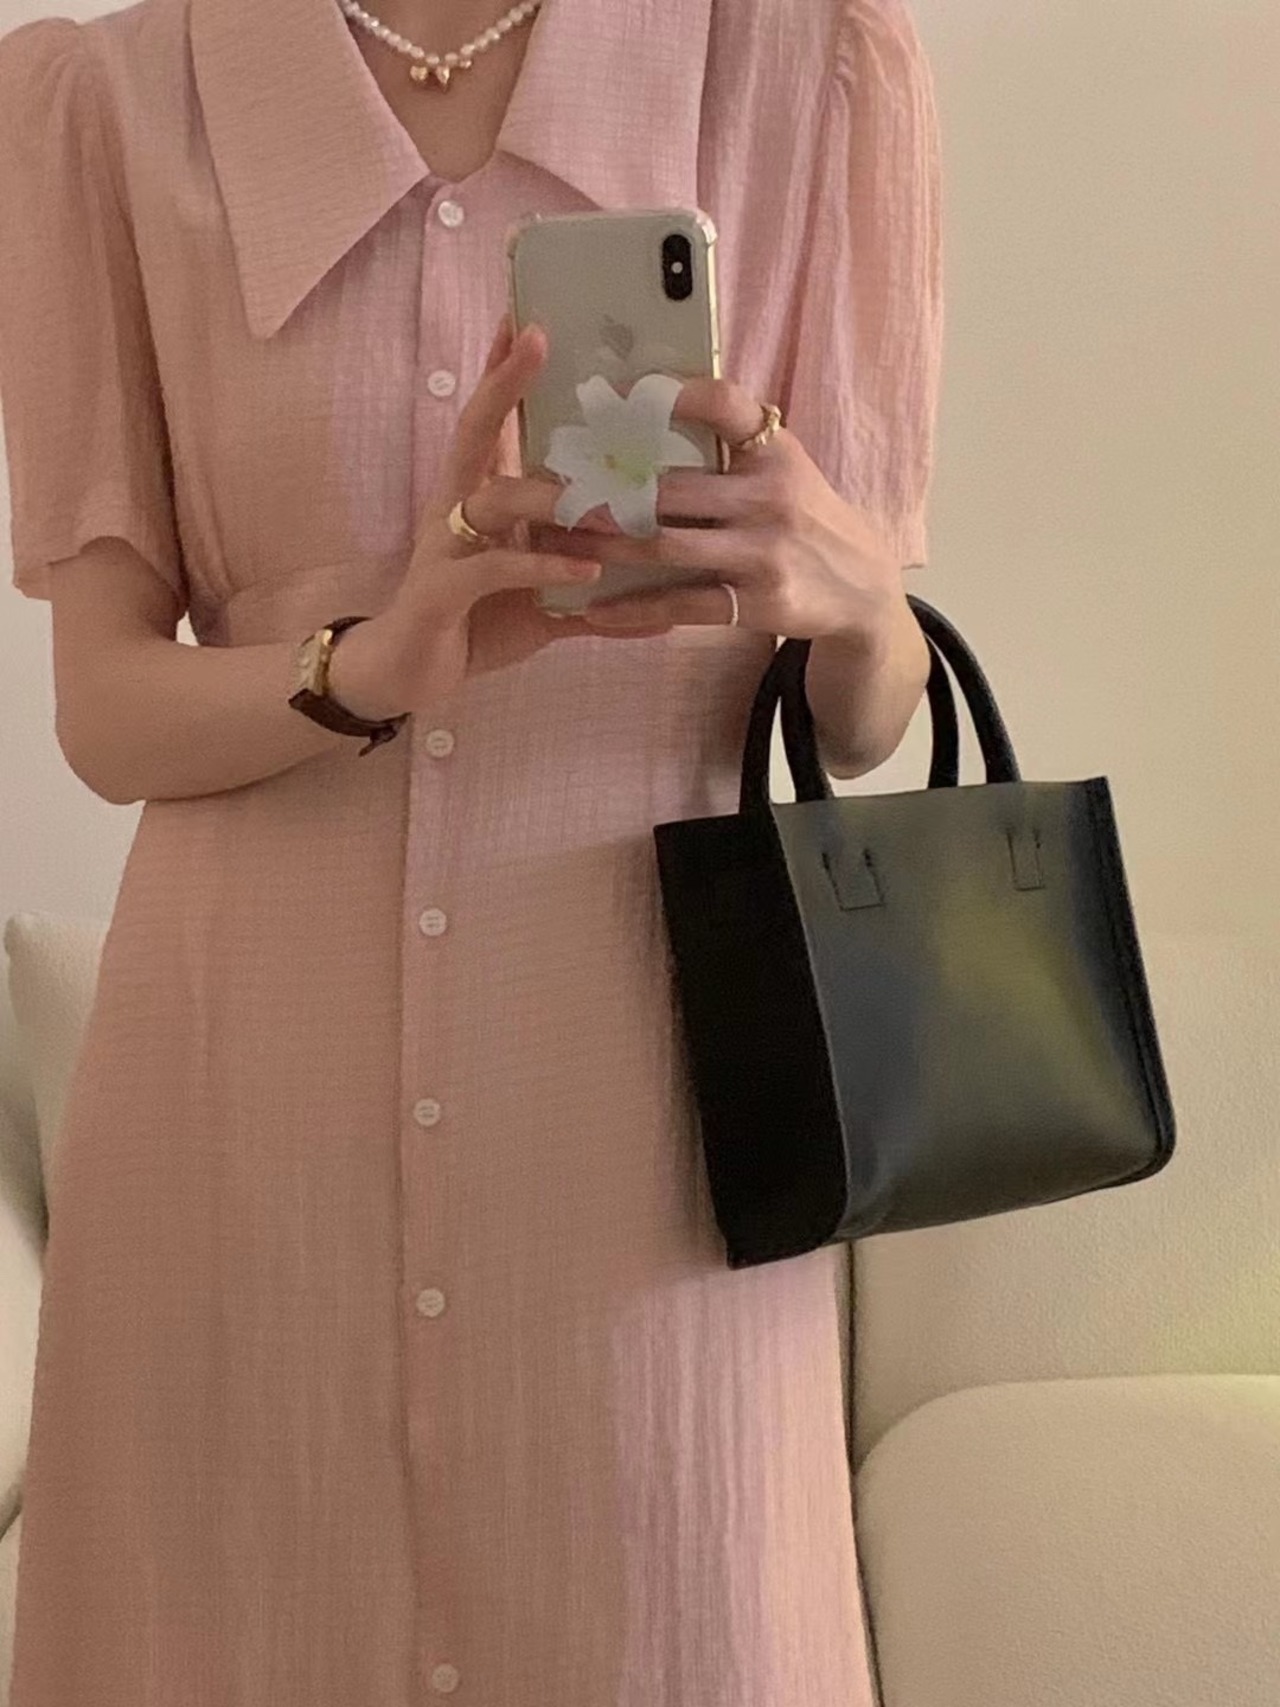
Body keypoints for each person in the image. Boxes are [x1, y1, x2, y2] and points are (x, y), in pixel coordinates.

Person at [0, 0, 943, 1701]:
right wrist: (368, 666)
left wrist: (860, 601)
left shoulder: (802, 64)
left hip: (657, 1127)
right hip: (236, 1122)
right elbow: (106, 715)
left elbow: (861, 724)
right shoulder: (116, 101)